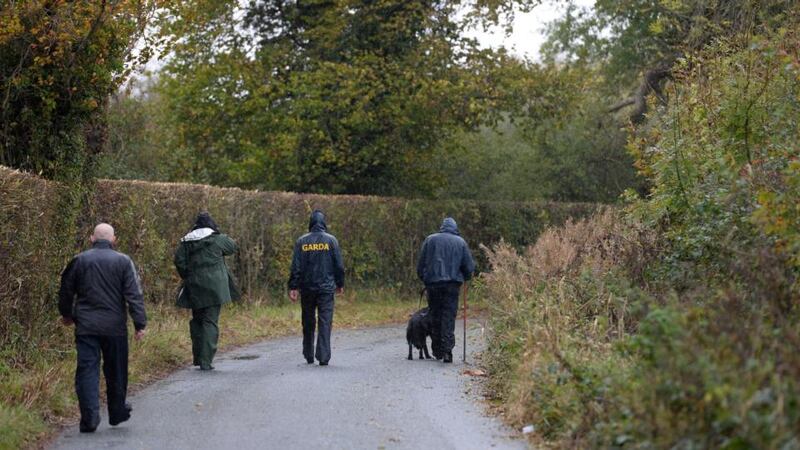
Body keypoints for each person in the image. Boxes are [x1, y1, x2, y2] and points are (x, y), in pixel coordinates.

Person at [59, 223, 147, 433]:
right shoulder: (123, 261)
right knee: (116, 370)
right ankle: (116, 413)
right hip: (115, 327)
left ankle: (89, 417)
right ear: (114, 240)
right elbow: (133, 294)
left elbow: (66, 289)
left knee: (87, 370)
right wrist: (139, 323)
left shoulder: (80, 260)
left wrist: (67, 315)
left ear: (91, 238)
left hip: (86, 326)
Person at [174, 212, 239, 371]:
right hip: (215, 288)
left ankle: (198, 358)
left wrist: (188, 276)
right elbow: (233, 247)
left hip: (194, 286)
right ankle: (206, 361)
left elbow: (179, 261)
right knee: (210, 321)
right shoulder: (217, 239)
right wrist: (219, 232)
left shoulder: (186, 242)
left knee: (197, 320)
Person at [288, 210, 345, 366]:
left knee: (308, 321)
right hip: (326, 289)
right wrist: (340, 284)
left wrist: (293, 287)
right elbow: (338, 266)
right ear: (324, 223)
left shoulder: (301, 242)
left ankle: (308, 354)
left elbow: (296, 267)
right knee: (325, 321)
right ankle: (323, 356)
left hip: (307, 289)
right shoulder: (331, 241)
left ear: (311, 223)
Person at [416, 217, 475, 363]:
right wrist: (465, 277)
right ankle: (447, 350)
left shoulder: (430, 240)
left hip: (433, 285)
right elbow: (469, 267)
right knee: (448, 316)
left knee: (435, 315)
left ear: (442, 227)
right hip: (452, 286)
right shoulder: (460, 242)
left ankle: (437, 350)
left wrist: (425, 278)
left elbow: (421, 265)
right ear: (455, 228)